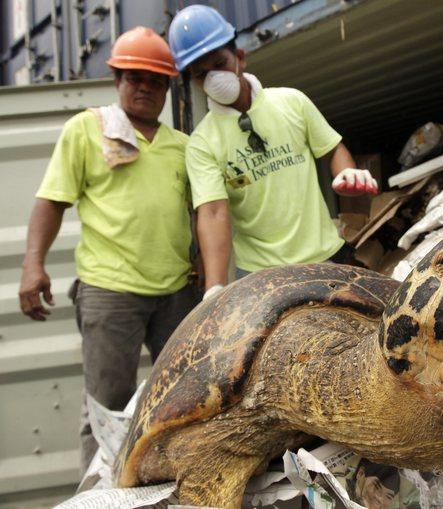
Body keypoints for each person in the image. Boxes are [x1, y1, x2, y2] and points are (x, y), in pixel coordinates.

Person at [18, 26, 199, 472]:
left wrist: (199, 267)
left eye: (155, 80)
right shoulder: (86, 129)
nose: (144, 87)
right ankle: (98, 493)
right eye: (134, 77)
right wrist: (33, 265)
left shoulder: (183, 146)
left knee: (183, 400)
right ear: (117, 80)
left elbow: (201, 215)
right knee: (105, 407)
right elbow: (52, 201)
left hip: (177, 292)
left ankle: (169, 485)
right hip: (109, 291)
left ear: (167, 88)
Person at [167, 5, 379, 300]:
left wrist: (346, 172)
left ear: (239, 57)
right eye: (202, 74)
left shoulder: (291, 102)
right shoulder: (202, 142)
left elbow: (332, 150)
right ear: (193, 80)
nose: (214, 78)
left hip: (327, 259)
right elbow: (214, 211)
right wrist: (214, 286)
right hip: (261, 280)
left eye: (220, 63)